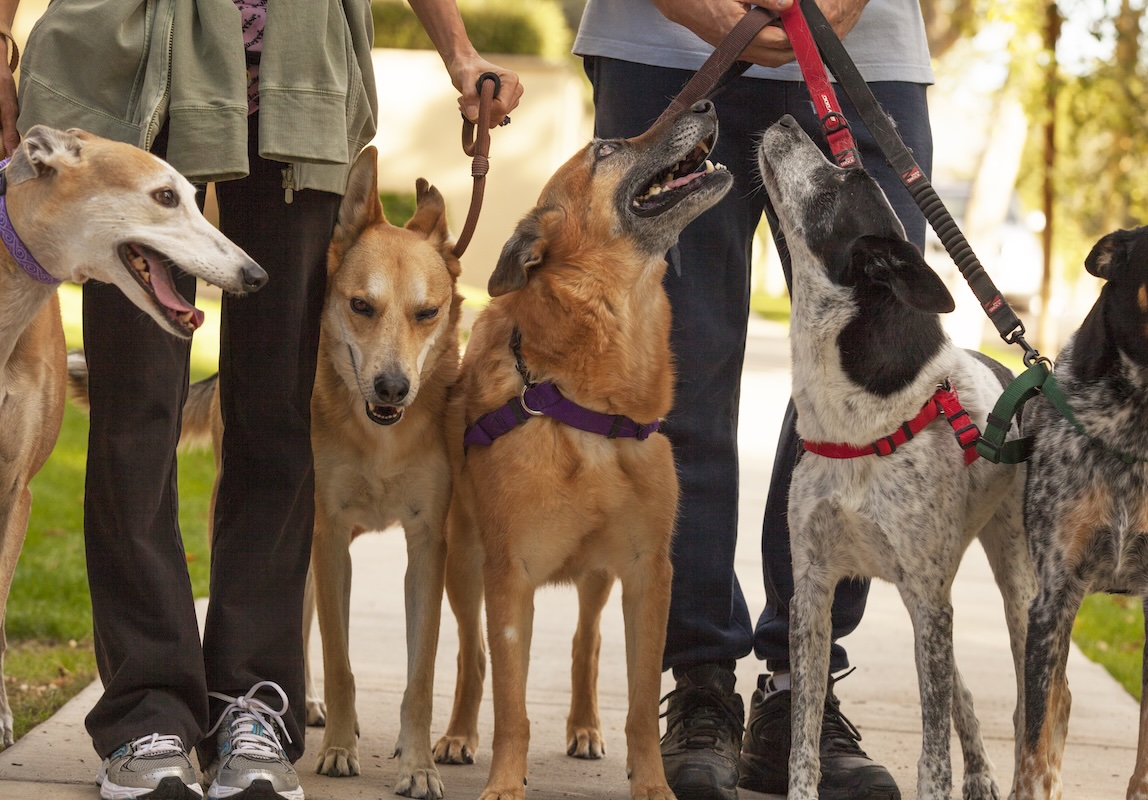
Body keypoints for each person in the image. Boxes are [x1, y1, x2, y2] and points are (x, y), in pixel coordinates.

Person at [0, 2, 521, 799]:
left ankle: (252, 703)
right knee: (136, 417)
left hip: (295, 84)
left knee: (278, 410)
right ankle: (147, 713)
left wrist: (457, 52)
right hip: (128, 75)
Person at [574, 1, 934, 799]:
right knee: (676, 366)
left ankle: (801, 687)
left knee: (862, 379)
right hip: (660, 50)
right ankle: (698, 681)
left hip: (861, 54)